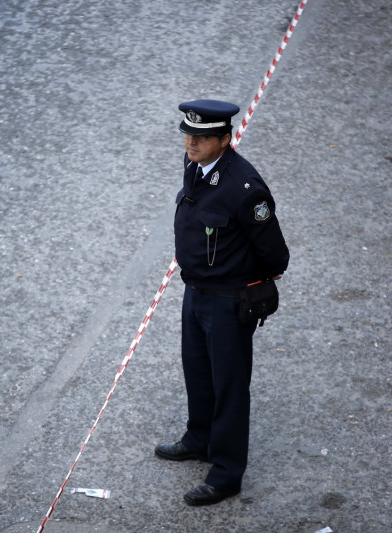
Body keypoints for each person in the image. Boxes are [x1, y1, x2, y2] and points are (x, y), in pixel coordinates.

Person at [155, 99, 290, 506]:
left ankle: (227, 473)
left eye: (200, 137)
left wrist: (241, 277)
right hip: (195, 292)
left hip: (228, 303)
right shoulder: (196, 165)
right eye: (187, 134)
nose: (190, 142)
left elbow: (276, 255)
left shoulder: (246, 189)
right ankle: (200, 439)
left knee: (229, 386)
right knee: (198, 372)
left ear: (225, 139)